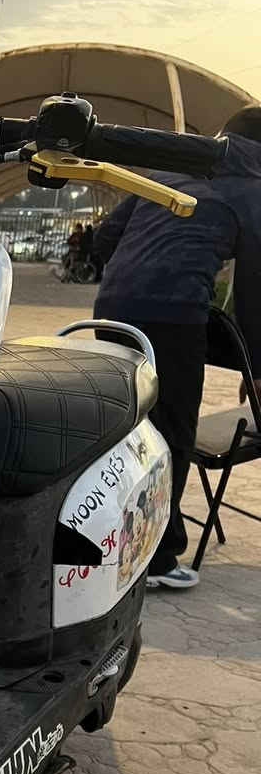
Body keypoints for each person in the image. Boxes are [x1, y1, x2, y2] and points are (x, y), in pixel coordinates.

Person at [93, 107, 261, 588]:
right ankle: (156, 558)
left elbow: (104, 238)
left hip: (112, 311)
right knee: (171, 432)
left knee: (127, 427)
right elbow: (254, 288)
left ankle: (107, 533)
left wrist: (131, 278)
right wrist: (255, 369)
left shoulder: (168, 170)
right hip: (173, 317)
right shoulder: (252, 189)